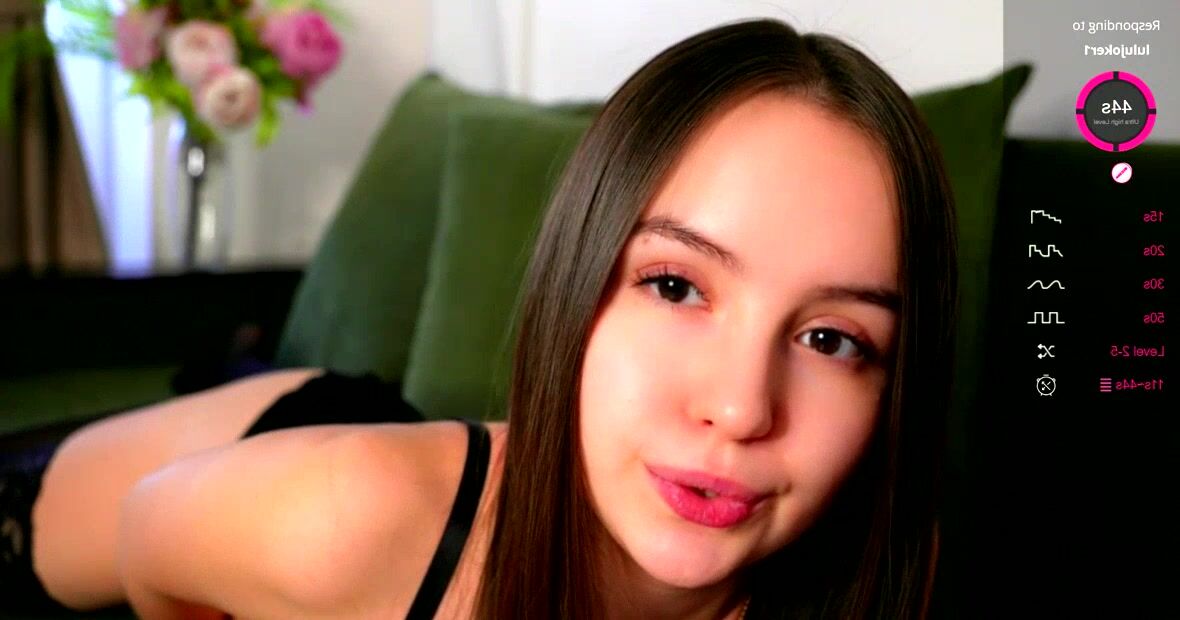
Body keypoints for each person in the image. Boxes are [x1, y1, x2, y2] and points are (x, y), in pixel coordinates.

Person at [2, 17, 957, 619]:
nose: (743, 410)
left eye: (832, 340)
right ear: (577, 279)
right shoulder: (337, 520)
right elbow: (145, 532)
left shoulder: (885, 574)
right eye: (675, 287)